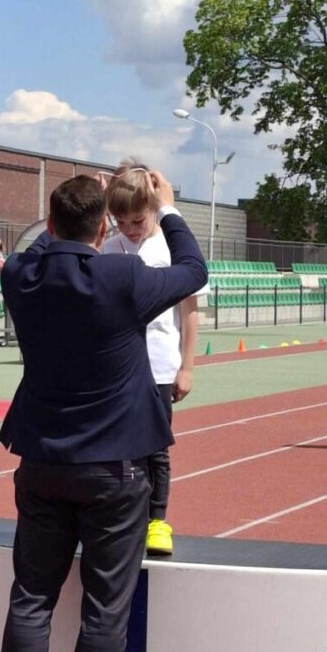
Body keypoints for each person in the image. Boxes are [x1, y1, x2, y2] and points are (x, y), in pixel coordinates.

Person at [0, 171, 207, 652]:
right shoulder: (123, 277)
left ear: (51, 223)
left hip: (42, 461)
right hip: (115, 468)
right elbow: (193, 271)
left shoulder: (21, 275)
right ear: (104, 228)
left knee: (31, 600)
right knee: (104, 610)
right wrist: (169, 208)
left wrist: (66, 215)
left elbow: (40, 246)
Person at [102, 160, 198, 556]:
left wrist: (187, 366)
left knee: (156, 449)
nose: (129, 228)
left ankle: (157, 521)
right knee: (117, 447)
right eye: (120, 221)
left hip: (159, 365)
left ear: (153, 207)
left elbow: (189, 312)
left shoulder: (172, 247)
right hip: (118, 369)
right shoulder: (109, 248)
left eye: (137, 220)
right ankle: (125, 517)